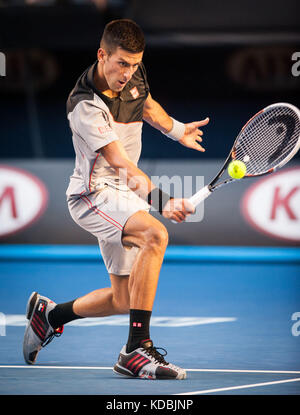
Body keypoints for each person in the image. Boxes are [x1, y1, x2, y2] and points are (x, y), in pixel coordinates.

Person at [23, 19, 209, 380]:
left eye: (135, 65)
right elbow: (119, 163)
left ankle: (50, 315)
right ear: (101, 55)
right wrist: (162, 199)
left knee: (124, 299)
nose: (128, 73)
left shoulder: (132, 75)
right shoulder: (85, 105)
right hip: (92, 195)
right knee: (155, 235)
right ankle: (136, 350)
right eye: (122, 63)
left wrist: (176, 129)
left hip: (122, 194)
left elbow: (147, 104)